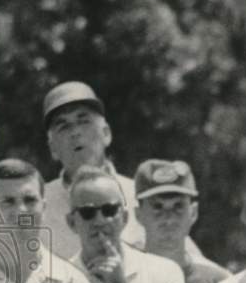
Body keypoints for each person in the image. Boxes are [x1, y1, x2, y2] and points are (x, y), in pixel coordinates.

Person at [41, 81, 202, 261]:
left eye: (83, 120)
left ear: (106, 133)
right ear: (52, 148)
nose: (75, 132)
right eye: (63, 126)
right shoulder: (38, 207)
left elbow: (187, 260)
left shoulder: (142, 197)